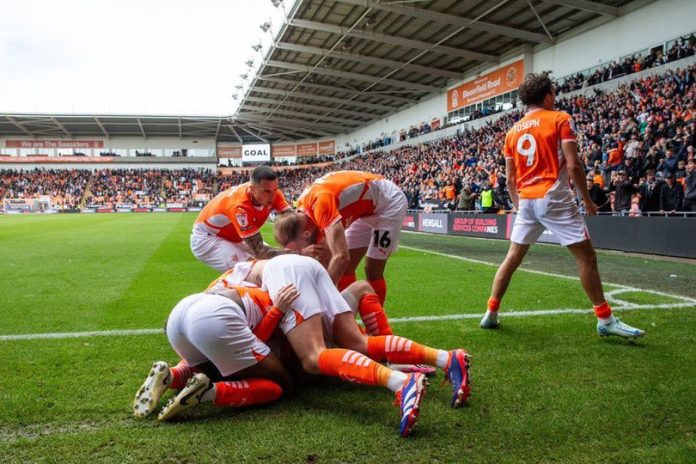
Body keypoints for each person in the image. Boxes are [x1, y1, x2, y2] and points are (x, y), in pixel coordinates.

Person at [159, 255, 471, 437]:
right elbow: (360, 287)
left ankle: (401, 382)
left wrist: (277, 311)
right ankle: (447, 359)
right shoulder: (233, 279)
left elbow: (258, 331)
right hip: (305, 267)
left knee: (312, 357)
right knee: (358, 343)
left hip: (284, 276)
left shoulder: (224, 290)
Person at [479, 71, 645, 339]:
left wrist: (518, 205)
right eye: (553, 94)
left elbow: (510, 179)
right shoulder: (560, 119)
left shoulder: (511, 132)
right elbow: (573, 165)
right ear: (547, 96)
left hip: (527, 200)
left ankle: (491, 312)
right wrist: (588, 200)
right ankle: (605, 319)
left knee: (511, 258)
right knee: (586, 257)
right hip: (553, 197)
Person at [133, 283, 301, 420]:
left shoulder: (238, 279)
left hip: (181, 313)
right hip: (216, 316)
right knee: (283, 385)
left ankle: (171, 375)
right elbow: (257, 339)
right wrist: (277, 311)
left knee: (216, 364)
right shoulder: (278, 299)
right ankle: (209, 391)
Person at [272, 170, 407, 307]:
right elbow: (325, 260)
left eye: (300, 249)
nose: (302, 253)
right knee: (345, 271)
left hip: (388, 203)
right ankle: (348, 320)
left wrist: (320, 295)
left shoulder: (320, 206)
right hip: (363, 211)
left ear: (305, 234)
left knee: (372, 270)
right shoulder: (305, 214)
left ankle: (378, 327)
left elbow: (341, 257)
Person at [190, 165, 322, 272]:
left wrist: (320, 230)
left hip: (235, 236)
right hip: (207, 238)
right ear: (252, 189)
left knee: (273, 263)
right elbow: (260, 252)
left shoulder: (273, 192)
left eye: (275, 189)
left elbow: (296, 220)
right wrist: (300, 252)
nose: (272, 196)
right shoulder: (239, 207)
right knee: (253, 270)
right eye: (266, 191)